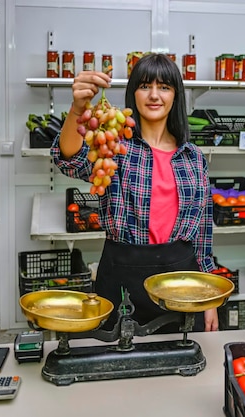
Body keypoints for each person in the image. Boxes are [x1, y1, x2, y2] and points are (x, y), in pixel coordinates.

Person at [51, 53, 218, 332]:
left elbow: (202, 232)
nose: (154, 95)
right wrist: (78, 109)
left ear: (176, 96)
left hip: (182, 281)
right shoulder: (115, 147)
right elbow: (69, 159)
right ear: (133, 94)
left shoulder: (193, 157)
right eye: (145, 86)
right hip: (121, 277)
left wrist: (210, 296)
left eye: (164, 87)